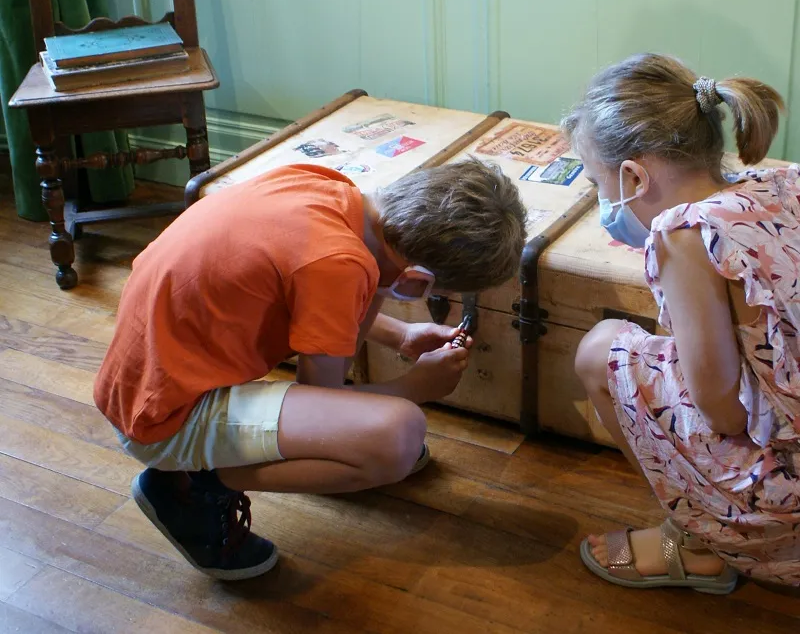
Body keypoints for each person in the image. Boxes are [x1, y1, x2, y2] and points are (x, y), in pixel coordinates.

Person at [94, 159, 527, 581]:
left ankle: (208, 466)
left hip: (149, 379)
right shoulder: (339, 264)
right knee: (398, 435)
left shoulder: (330, 193)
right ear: (415, 281)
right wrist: (415, 386)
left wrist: (401, 335)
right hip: (164, 420)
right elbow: (324, 397)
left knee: (383, 433)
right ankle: (195, 487)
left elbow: (317, 291)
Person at [564, 53, 800, 592]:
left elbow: (721, 411)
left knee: (601, 349)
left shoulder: (684, 235)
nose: (604, 202)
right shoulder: (782, 185)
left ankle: (700, 543)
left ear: (633, 176)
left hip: (786, 497)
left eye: (599, 185)